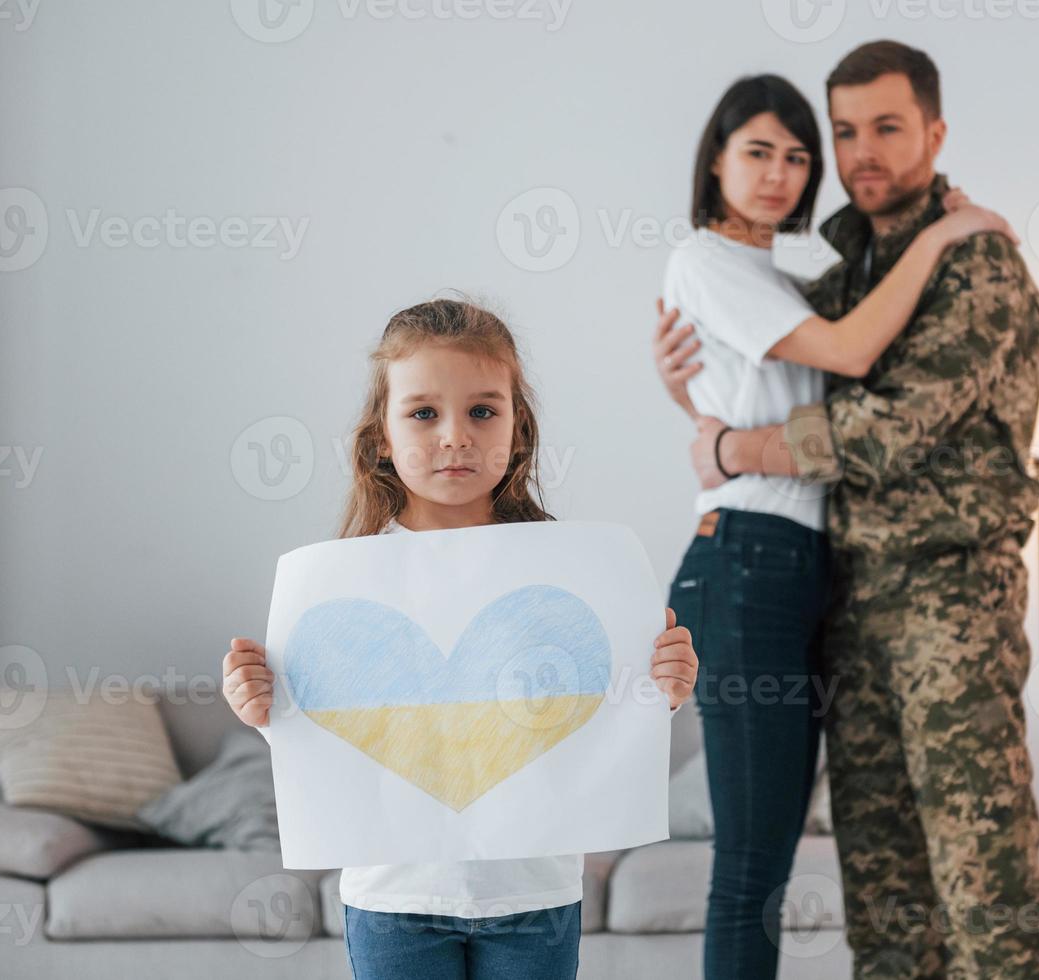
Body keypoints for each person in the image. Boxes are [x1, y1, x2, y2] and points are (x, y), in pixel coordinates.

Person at [655, 41, 1039, 980]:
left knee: (985, 890)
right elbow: (763, 362)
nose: (861, 151)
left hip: (949, 603)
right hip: (842, 603)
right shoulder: (842, 273)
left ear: (934, 131)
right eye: (843, 132)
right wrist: (685, 391)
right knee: (883, 902)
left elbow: (884, 429)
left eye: (886, 126)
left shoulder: (977, 263)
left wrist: (729, 450)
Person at [222, 298, 699, 980]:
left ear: (518, 428)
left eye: (483, 411)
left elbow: (598, 707)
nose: (455, 436)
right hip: (394, 897)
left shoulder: (568, 575)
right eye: (423, 413)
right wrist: (262, 706)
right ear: (381, 435)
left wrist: (664, 692)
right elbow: (323, 740)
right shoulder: (341, 589)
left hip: (535, 894)